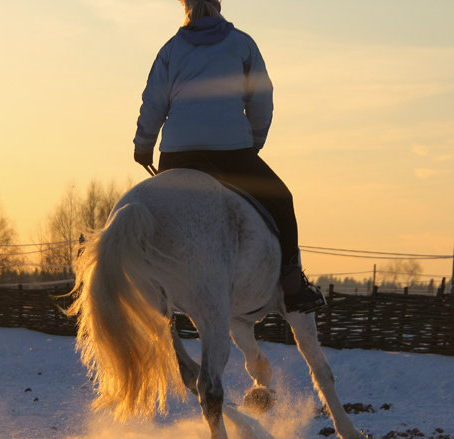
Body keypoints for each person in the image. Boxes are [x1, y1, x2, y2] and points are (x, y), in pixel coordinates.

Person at [133, 0, 325, 313]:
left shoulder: (170, 50)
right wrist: (254, 141)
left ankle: (148, 282)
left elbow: (153, 102)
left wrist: (143, 146)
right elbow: (262, 100)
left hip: (177, 157)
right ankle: (292, 286)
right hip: (231, 154)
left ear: (185, 6)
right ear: (218, 4)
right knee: (282, 198)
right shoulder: (242, 45)